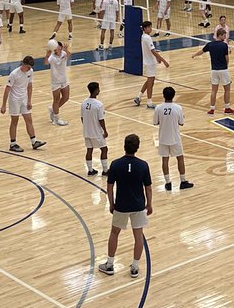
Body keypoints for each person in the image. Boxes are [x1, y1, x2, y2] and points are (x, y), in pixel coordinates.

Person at [98, 133, 153, 278]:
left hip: (121, 205)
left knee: (114, 233)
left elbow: (109, 187)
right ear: (137, 148)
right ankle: (135, 267)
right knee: (138, 235)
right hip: (138, 206)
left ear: (124, 146)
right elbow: (148, 187)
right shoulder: (143, 165)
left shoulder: (116, 164)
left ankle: (109, 264)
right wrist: (149, 204)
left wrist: (111, 203)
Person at [0, 56, 45, 152]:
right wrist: (3, 105)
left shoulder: (30, 71)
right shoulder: (14, 74)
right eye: (28, 67)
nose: (30, 69)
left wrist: (29, 100)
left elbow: (30, 86)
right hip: (14, 100)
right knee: (14, 121)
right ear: (23, 64)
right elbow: (7, 89)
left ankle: (34, 141)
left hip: (24, 99)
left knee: (29, 120)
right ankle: (13, 144)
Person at [154, 86, 192, 190]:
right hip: (175, 137)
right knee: (180, 158)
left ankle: (168, 183)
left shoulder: (158, 108)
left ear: (163, 95)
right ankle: (183, 181)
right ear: (174, 96)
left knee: (165, 160)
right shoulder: (178, 108)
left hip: (163, 138)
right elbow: (181, 123)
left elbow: (155, 122)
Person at [134, 21, 169, 109]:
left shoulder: (144, 36)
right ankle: (149, 102)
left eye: (151, 27)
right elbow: (153, 51)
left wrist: (157, 58)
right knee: (151, 83)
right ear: (145, 28)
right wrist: (164, 60)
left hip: (149, 62)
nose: (151, 28)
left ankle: (138, 97)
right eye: (149, 27)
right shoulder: (147, 38)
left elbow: (151, 50)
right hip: (149, 63)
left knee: (150, 81)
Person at [200, 26, 233, 114]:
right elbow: (227, 58)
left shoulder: (210, 44)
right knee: (227, 89)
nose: (225, 37)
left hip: (214, 70)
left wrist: (194, 55)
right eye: (224, 35)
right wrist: (227, 66)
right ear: (220, 35)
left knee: (214, 90)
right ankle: (227, 108)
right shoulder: (224, 45)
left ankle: (212, 109)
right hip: (223, 70)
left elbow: (202, 51)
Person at [81, 81, 109, 176]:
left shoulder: (84, 103)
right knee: (104, 149)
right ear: (96, 90)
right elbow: (101, 119)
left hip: (86, 131)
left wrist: (86, 126)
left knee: (89, 150)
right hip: (96, 132)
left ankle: (90, 170)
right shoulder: (99, 104)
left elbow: (82, 118)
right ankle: (105, 170)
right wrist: (105, 131)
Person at [46, 39, 71, 125]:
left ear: (60, 47)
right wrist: (47, 55)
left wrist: (66, 50)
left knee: (66, 97)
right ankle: (56, 119)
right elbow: (46, 63)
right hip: (55, 81)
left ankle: (53, 110)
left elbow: (69, 56)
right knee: (56, 100)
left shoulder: (64, 53)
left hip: (64, 79)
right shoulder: (52, 57)